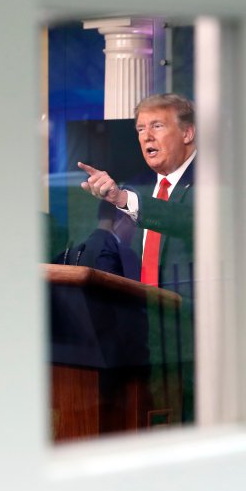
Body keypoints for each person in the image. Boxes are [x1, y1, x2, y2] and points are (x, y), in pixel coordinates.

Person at [77, 92, 197, 423]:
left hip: (196, 344)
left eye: (157, 125)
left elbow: (189, 221)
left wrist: (122, 197)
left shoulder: (212, 180)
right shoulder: (145, 191)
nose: (146, 136)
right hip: (153, 343)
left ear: (188, 133)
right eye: (141, 128)